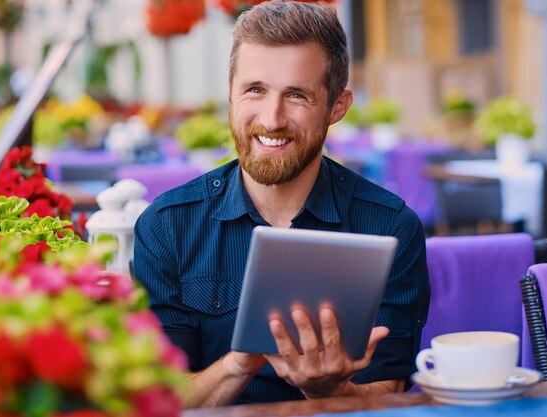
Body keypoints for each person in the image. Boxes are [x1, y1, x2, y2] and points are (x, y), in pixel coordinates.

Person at [134, 0, 430, 407]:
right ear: (231, 96)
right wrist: (240, 363)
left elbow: (389, 389)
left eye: (296, 96)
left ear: (336, 107)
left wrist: (328, 391)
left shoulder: (392, 226)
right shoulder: (166, 226)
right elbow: (163, 398)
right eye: (255, 90)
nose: (272, 119)